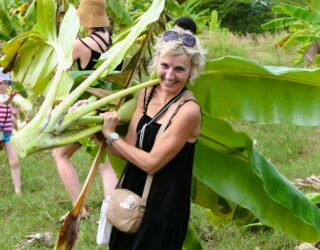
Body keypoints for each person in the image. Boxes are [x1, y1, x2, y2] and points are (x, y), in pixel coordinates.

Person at [101, 28, 205, 249]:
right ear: (156, 62)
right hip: (131, 196)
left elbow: (152, 163)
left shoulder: (188, 110)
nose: (169, 75)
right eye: (165, 65)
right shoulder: (147, 94)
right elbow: (128, 148)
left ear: (191, 71)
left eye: (179, 69)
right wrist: (95, 132)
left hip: (164, 205)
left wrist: (110, 135)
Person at [52, 0, 118, 221]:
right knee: (105, 163)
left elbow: (60, 71)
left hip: (87, 110)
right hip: (111, 107)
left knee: (60, 154)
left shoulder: (81, 45)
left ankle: (79, 207)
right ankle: (111, 214)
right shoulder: (115, 42)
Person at [0, 68, 21, 196]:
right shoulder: (4, 98)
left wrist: (17, 110)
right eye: (0, 83)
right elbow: (4, 102)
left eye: (5, 83)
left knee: (14, 161)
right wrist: (10, 98)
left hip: (7, 133)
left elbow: (12, 112)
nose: (3, 86)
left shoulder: (8, 97)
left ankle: (18, 190)